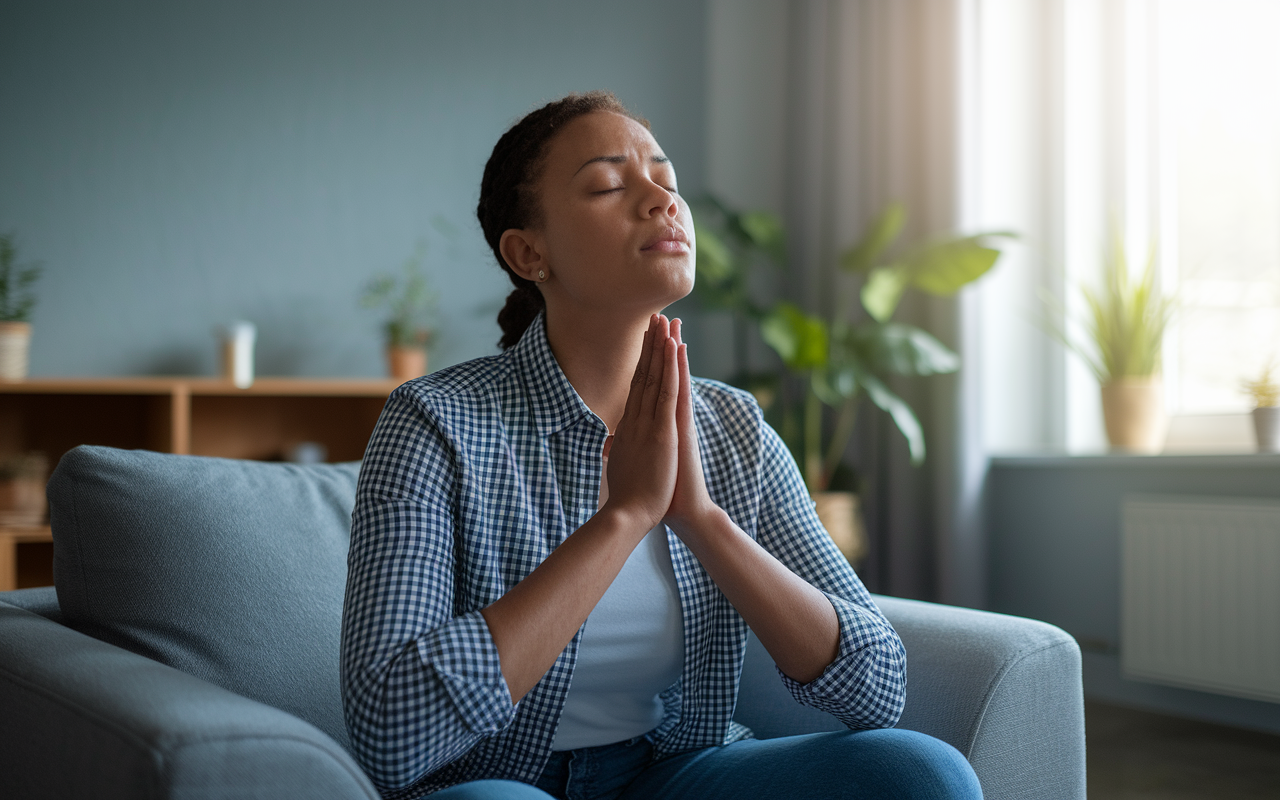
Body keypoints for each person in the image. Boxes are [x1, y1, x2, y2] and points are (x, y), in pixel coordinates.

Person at [341, 91, 982, 800]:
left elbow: (876, 687)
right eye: (609, 185)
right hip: (501, 782)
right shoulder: (435, 423)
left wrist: (701, 520)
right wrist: (624, 517)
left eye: (667, 183)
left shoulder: (732, 427)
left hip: (674, 771)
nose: (660, 201)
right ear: (529, 252)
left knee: (924, 775)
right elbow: (391, 733)